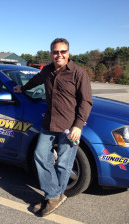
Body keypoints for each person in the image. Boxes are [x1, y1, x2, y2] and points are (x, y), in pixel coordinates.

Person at [14, 38, 93, 216]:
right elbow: (36, 80)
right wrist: (23, 88)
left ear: (68, 53)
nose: (59, 55)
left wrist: (78, 125)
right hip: (49, 122)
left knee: (64, 163)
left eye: (62, 51)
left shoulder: (78, 73)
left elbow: (86, 101)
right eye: (55, 52)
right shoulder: (48, 71)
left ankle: (51, 197)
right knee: (40, 156)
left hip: (70, 127)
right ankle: (55, 194)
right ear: (51, 53)